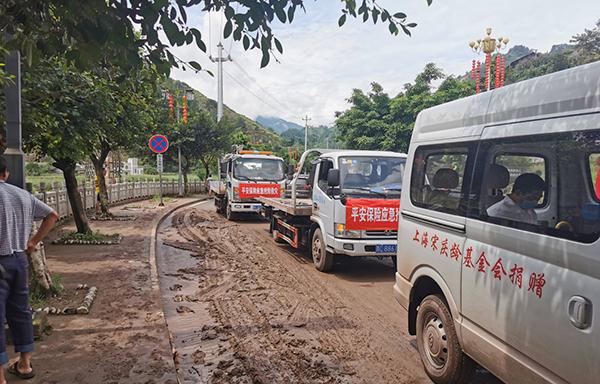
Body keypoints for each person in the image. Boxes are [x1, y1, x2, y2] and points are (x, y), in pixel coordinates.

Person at [0, 156, 59, 382]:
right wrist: (32, 242)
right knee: (21, 311)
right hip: (19, 261)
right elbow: (52, 215)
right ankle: (24, 365)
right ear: (6, 173)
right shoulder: (22, 195)